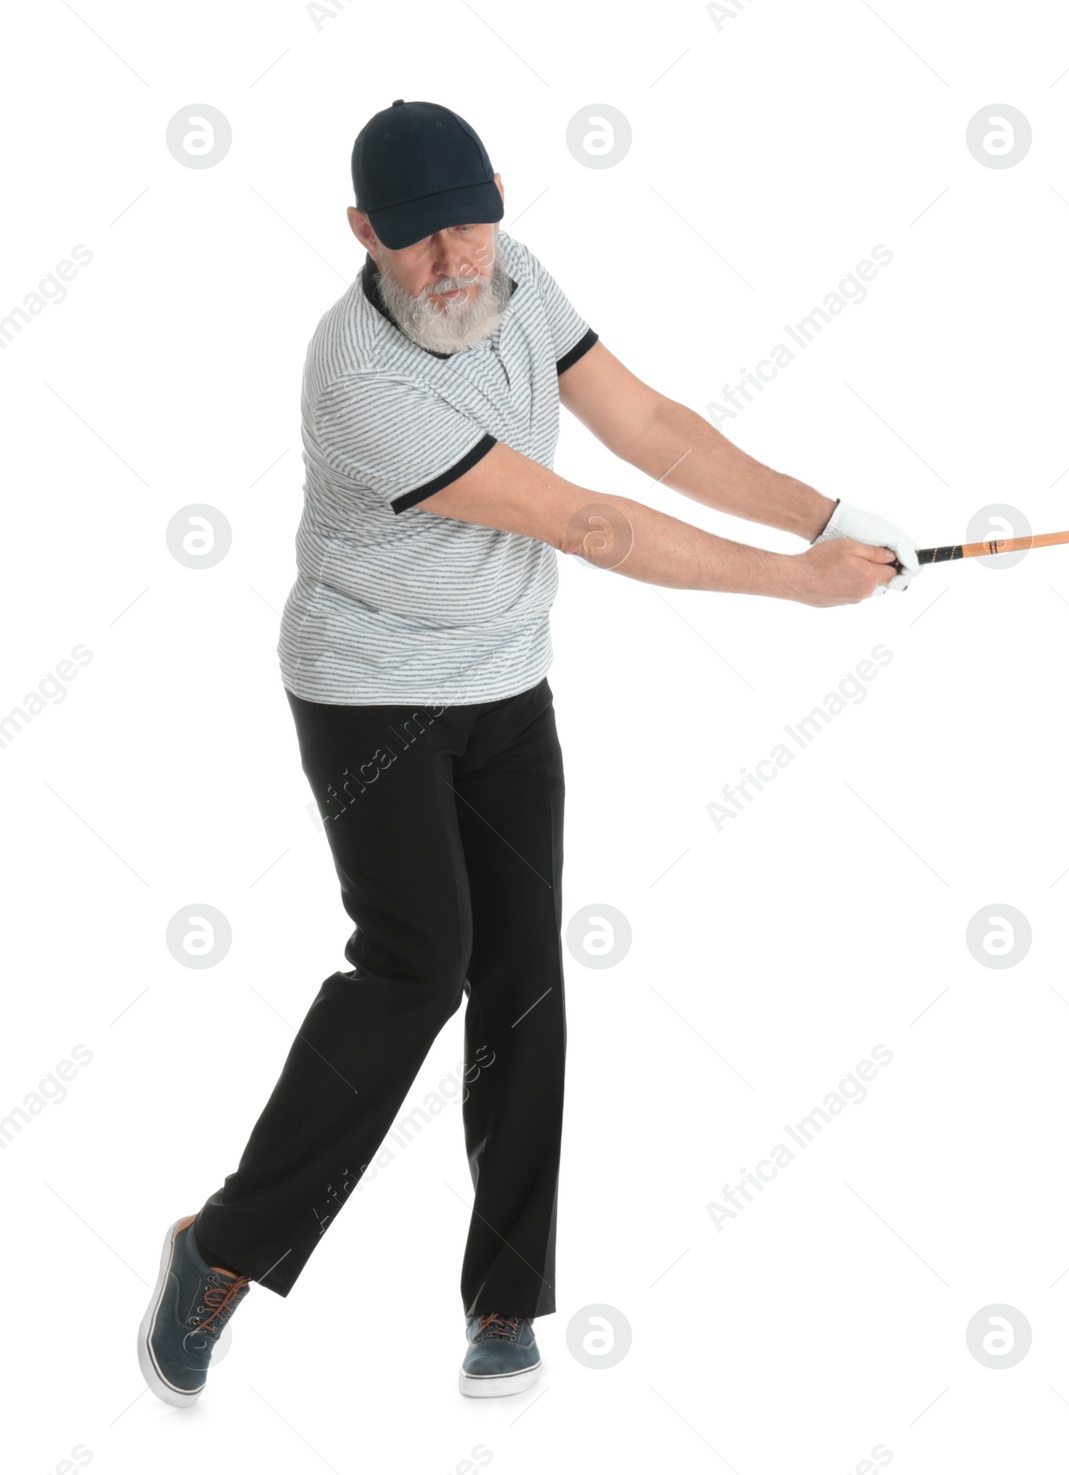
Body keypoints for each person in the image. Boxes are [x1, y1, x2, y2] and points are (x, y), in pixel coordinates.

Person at [136, 98, 921, 1406]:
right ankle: (220, 1251)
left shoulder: (518, 273)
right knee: (419, 966)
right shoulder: (361, 382)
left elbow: (652, 430)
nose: (451, 263)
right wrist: (799, 585)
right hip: (373, 702)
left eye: (467, 227)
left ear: (498, 195)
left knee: (522, 981)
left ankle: (504, 1299)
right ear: (361, 235)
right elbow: (591, 523)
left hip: (508, 685)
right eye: (414, 243)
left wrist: (828, 514)